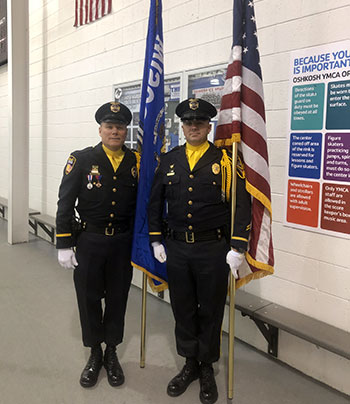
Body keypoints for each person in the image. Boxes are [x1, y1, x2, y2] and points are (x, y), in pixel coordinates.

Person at [148, 98, 251, 404]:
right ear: (182, 126)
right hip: (177, 248)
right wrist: (155, 239)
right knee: (182, 306)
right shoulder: (169, 161)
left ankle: (206, 366)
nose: (193, 127)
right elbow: (154, 203)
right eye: (188, 123)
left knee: (210, 308)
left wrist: (238, 246)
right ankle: (189, 363)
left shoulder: (227, 160)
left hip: (212, 248)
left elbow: (242, 206)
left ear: (209, 126)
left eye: (199, 123)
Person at [56, 101, 139, 388]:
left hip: (122, 243)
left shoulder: (135, 162)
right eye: (109, 126)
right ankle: (94, 353)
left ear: (125, 130)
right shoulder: (81, 159)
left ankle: (112, 352)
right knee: (89, 298)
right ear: (100, 129)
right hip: (90, 240)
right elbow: (65, 203)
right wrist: (63, 243)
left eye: (119, 127)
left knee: (117, 298)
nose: (115, 131)